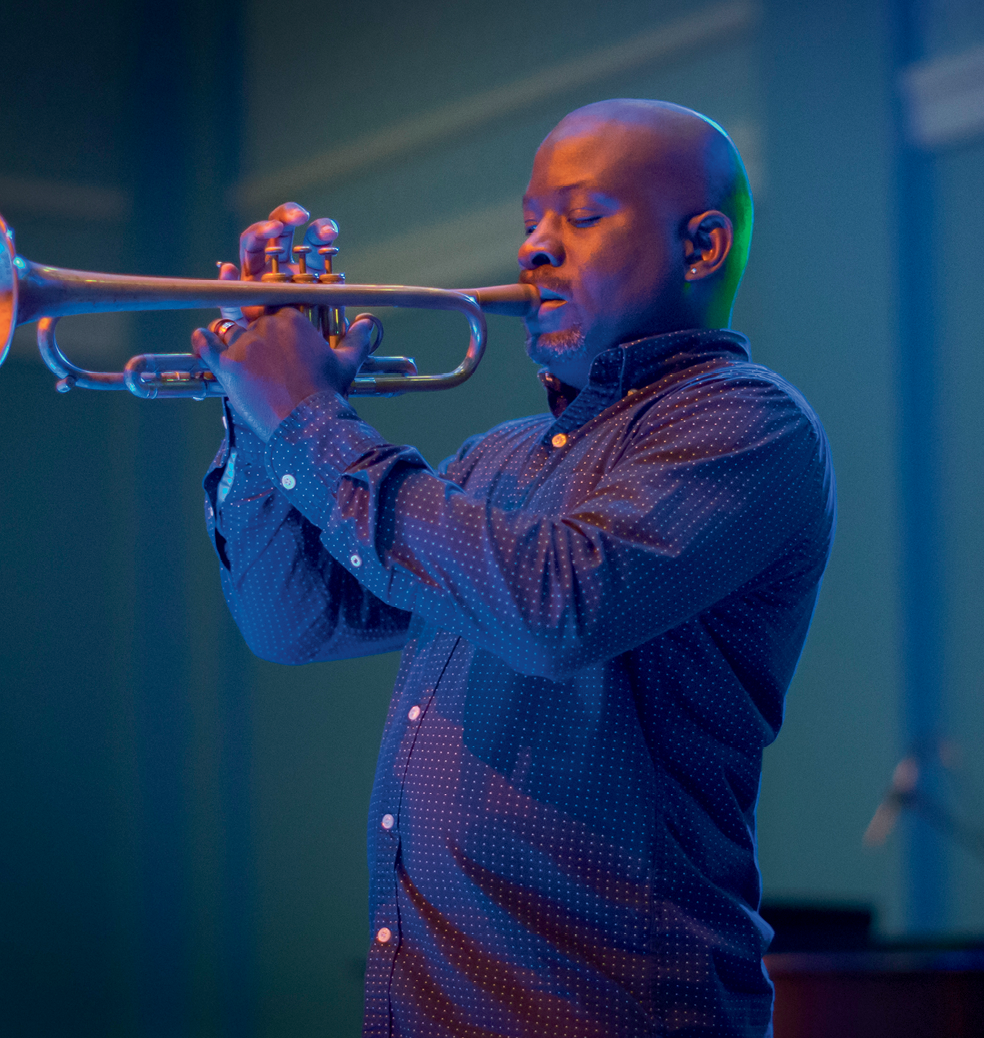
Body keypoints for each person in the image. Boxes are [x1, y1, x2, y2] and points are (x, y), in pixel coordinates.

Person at [192, 98, 836, 1038]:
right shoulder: (499, 458)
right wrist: (259, 420)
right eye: (529, 221)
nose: (535, 248)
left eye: (579, 216)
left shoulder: (745, 424)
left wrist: (305, 418)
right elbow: (294, 621)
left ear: (700, 246)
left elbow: (554, 604)